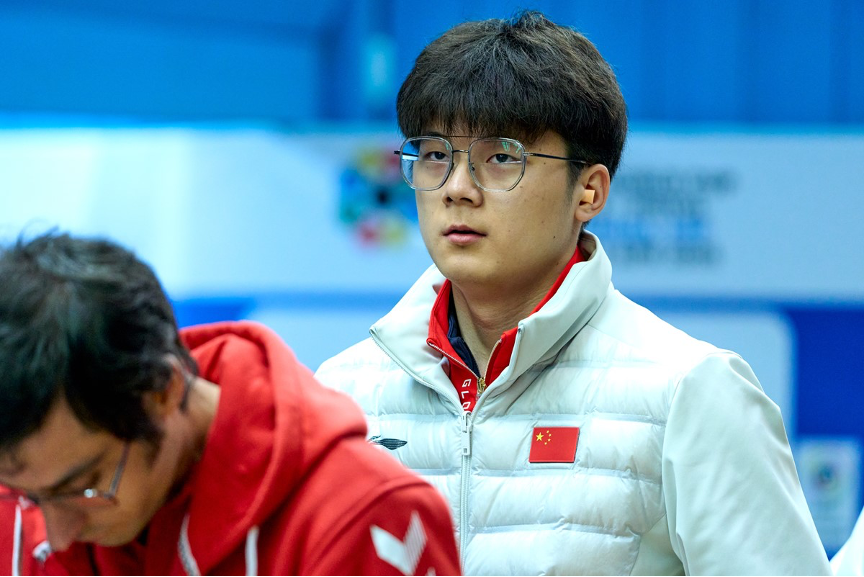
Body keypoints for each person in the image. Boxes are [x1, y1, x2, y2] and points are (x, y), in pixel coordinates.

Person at [314, 10, 831, 575]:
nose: (457, 188)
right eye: (436, 155)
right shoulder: (342, 395)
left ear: (589, 191)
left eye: (501, 157)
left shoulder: (690, 391)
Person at [0, 232, 461, 576]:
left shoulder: (362, 521)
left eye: (85, 487)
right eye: (27, 496)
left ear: (163, 391)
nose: (57, 536)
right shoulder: (32, 488)